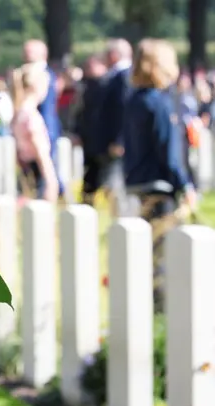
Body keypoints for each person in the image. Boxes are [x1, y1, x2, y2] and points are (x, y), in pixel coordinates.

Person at [123, 39, 197, 313]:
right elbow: (169, 153)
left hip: (135, 184)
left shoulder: (133, 100)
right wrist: (185, 185)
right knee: (162, 254)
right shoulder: (160, 104)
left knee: (144, 250)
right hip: (160, 186)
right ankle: (161, 308)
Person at [11, 62, 60, 202]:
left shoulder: (18, 113)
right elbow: (41, 153)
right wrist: (51, 181)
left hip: (26, 171)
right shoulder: (31, 117)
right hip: (39, 174)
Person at [98, 38, 133, 214]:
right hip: (113, 139)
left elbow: (123, 109)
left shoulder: (124, 76)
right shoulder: (118, 75)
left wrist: (119, 140)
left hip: (118, 141)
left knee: (117, 184)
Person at [22, 39, 62, 192]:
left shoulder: (43, 74)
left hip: (41, 128)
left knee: (46, 175)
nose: (25, 55)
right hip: (30, 128)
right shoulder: (32, 72)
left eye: (30, 52)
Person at [74, 54, 108, 204]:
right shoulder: (86, 86)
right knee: (90, 174)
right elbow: (80, 112)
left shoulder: (106, 85)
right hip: (89, 139)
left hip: (102, 139)